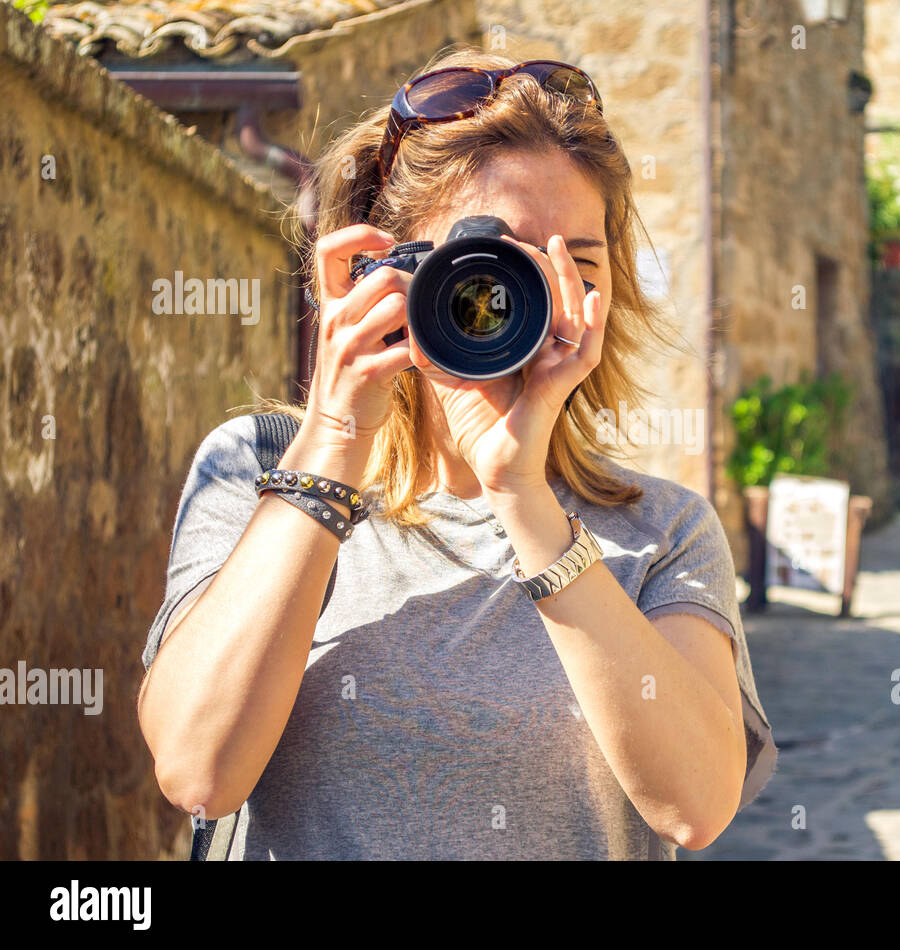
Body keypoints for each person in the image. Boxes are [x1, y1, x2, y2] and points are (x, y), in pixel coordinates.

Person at [136, 47, 777, 860]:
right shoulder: (255, 472)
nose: (534, 304)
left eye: (575, 266)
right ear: (386, 270)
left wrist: (526, 500)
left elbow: (696, 807)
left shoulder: (663, 531)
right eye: (494, 266)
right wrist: (336, 438)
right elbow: (198, 770)